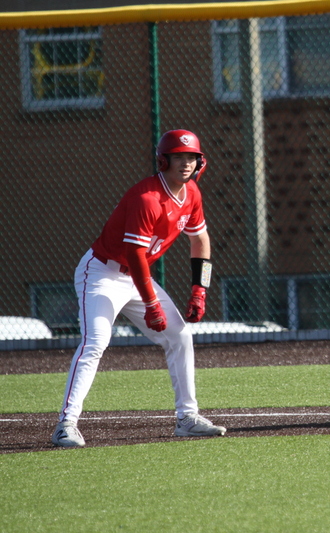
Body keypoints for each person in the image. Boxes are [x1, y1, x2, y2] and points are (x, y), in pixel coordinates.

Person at [52, 129, 226, 447]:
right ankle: (66, 423)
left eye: (191, 157)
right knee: (96, 341)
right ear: (163, 160)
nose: (185, 163)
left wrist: (200, 290)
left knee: (180, 335)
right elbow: (134, 255)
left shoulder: (192, 195)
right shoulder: (148, 197)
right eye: (178, 157)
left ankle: (187, 419)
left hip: (136, 275)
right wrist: (151, 305)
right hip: (101, 272)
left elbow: (200, 240)